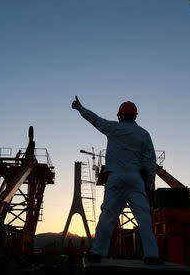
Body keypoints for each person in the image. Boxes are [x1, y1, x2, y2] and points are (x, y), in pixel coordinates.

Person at [72, 96, 163, 265]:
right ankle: (152, 256)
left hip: (115, 178)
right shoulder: (144, 134)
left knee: (107, 216)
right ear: (135, 116)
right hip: (135, 178)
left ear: (119, 116)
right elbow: (150, 162)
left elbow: (95, 119)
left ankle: (96, 252)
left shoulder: (113, 128)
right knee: (143, 218)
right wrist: (148, 185)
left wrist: (79, 108)